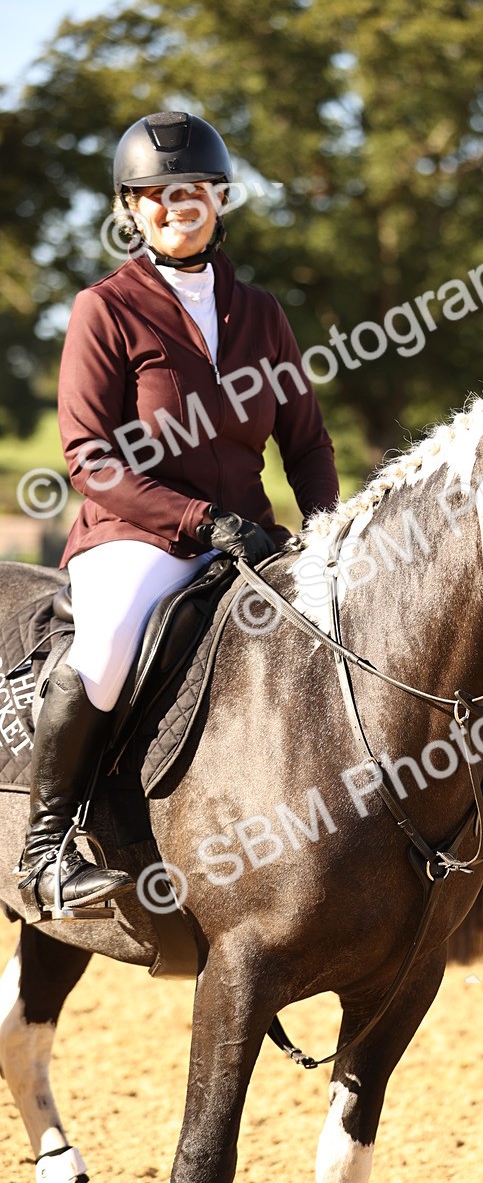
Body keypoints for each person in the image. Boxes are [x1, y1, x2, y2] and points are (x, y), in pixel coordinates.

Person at [17, 111, 339, 914]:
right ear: (131, 209)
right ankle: (46, 850)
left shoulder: (262, 313)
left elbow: (306, 444)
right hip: (138, 537)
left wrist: (334, 536)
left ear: (220, 199)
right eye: (153, 195)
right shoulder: (106, 309)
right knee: (106, 647)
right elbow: (90, 455)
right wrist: (195, 520)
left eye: (189, 191)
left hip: (251, 538)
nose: (173, 206)